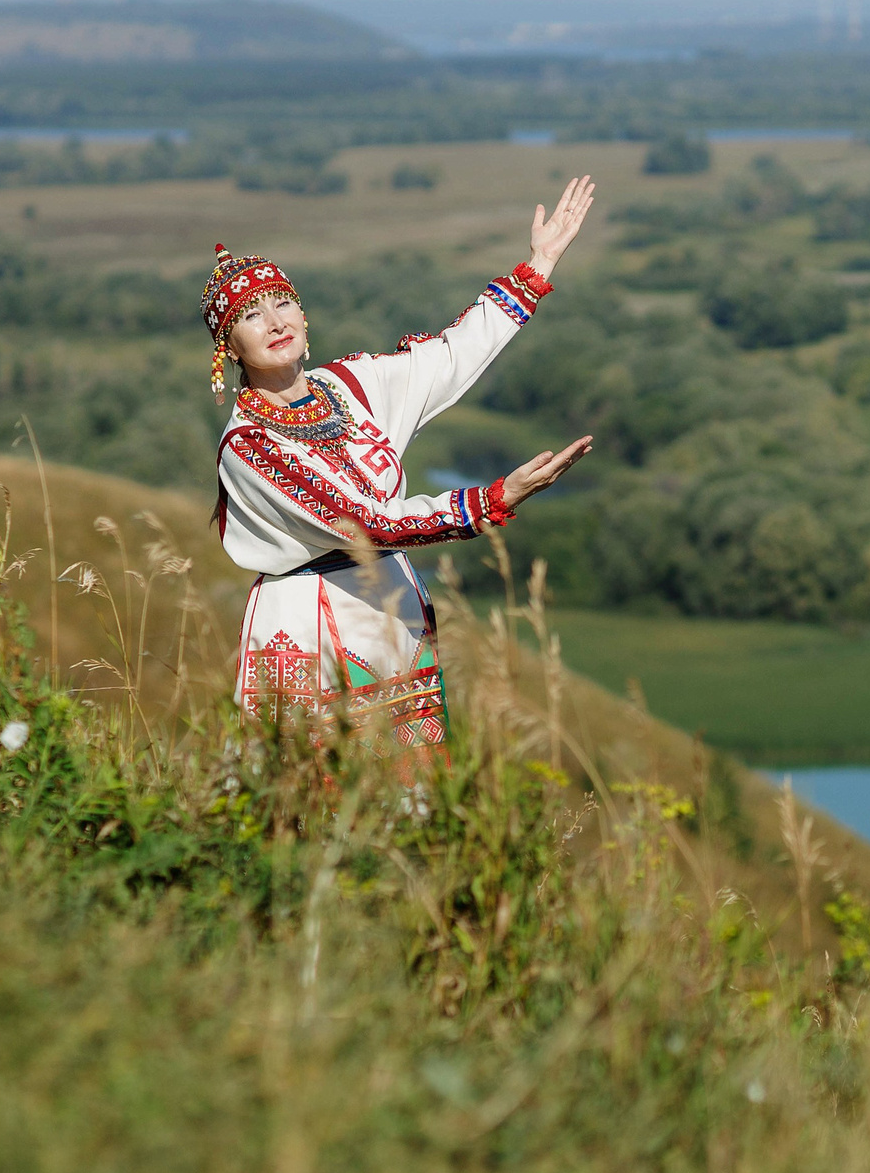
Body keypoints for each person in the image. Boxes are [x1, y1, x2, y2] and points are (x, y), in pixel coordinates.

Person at [206, 175, 596, 760]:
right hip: (309, 624)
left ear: (304, 317)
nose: (276, 322)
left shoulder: (350, 384)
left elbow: (449, 358)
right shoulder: (249, 446)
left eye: (282, 303)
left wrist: (537, 266)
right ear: (230, 348)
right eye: (251, 316)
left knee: (410, 793)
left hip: (391, 611)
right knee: (313, 792)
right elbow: (365, 523)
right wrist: (493, 499)